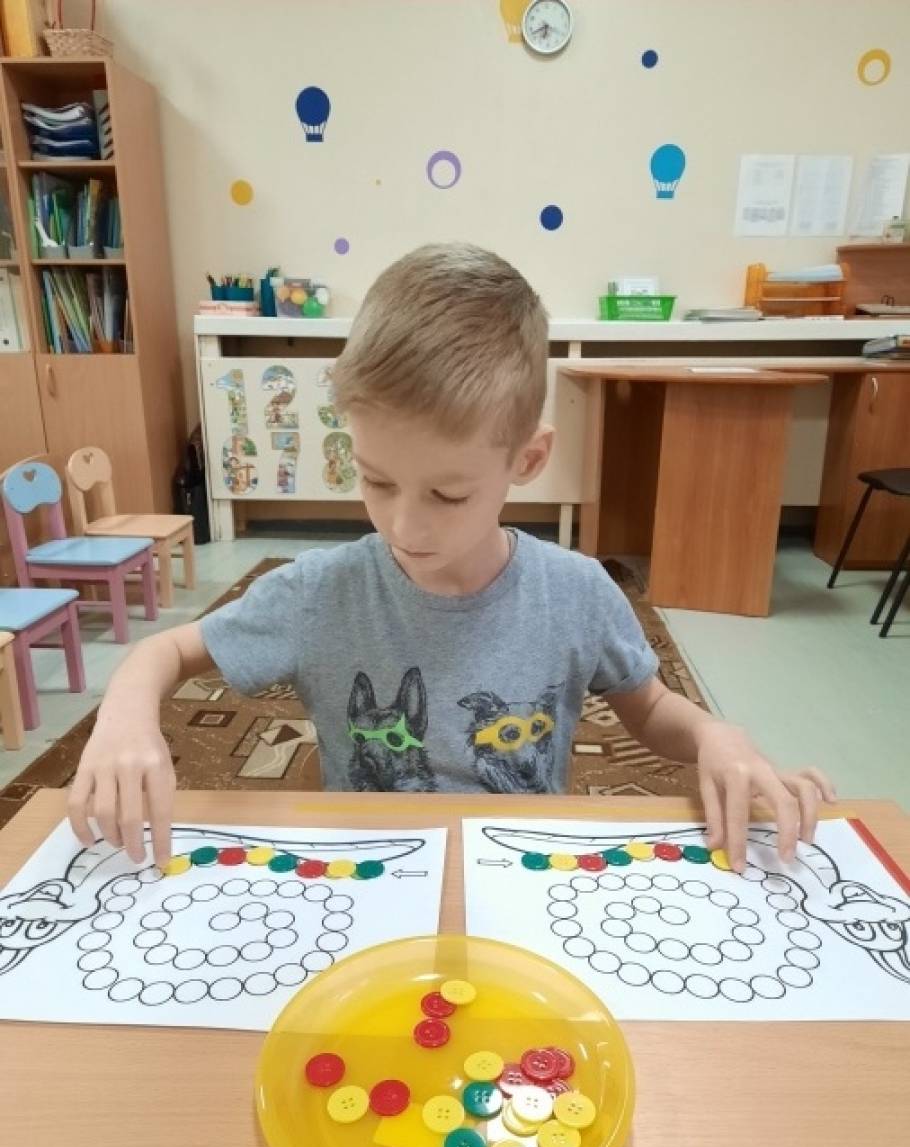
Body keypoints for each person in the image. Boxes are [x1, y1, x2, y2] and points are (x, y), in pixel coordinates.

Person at [67, 243, 834, 871]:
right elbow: (166, 651)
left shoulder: (576, 592)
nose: (405, 524)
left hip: (522, 874)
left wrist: (717, 737)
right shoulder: (320, 594)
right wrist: (126, 716)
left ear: (527, 459)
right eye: (376, 480)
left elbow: (653, 710)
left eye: (448, 493)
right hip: (369, 875)